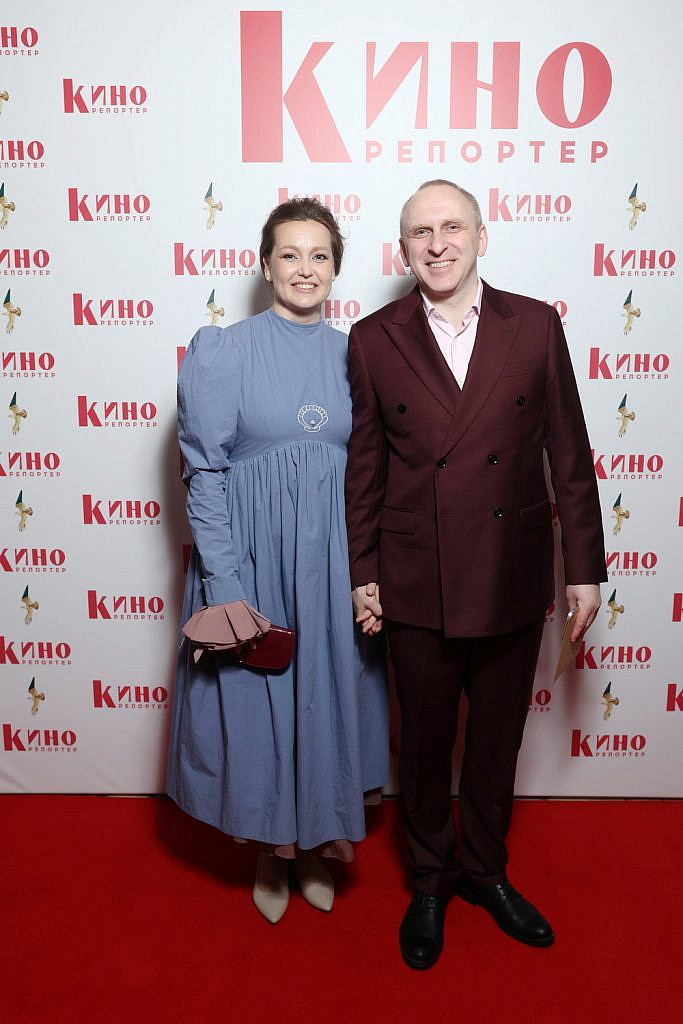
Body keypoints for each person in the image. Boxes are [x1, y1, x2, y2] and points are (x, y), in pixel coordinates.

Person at [345, 180, 606, 969]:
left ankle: (485, 872)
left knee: (495, 744)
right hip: (413, 574)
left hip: (509, 569)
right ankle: (429, 879)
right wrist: (363, 569)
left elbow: (569, 452)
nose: (437, 244)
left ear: (480, 237)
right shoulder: (372, 338)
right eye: (419, 232)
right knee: (425, 746)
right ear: (402, 249)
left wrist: (584, 569)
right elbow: (364, 467)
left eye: (451, 226)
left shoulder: (535, 324)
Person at [167, 197, 388, 924]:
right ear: (265, 266)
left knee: (326, 698)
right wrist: (224, 583)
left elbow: (374, 473)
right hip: (254, 560)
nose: (304, 268)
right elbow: (205, 474)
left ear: (335, 268)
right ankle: (269, 848)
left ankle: (317, 841)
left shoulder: (357, 354)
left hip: (331, 566)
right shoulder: (224, 351)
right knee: (260, 705)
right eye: (289, 254)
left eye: (319, 255)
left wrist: (368, 572)